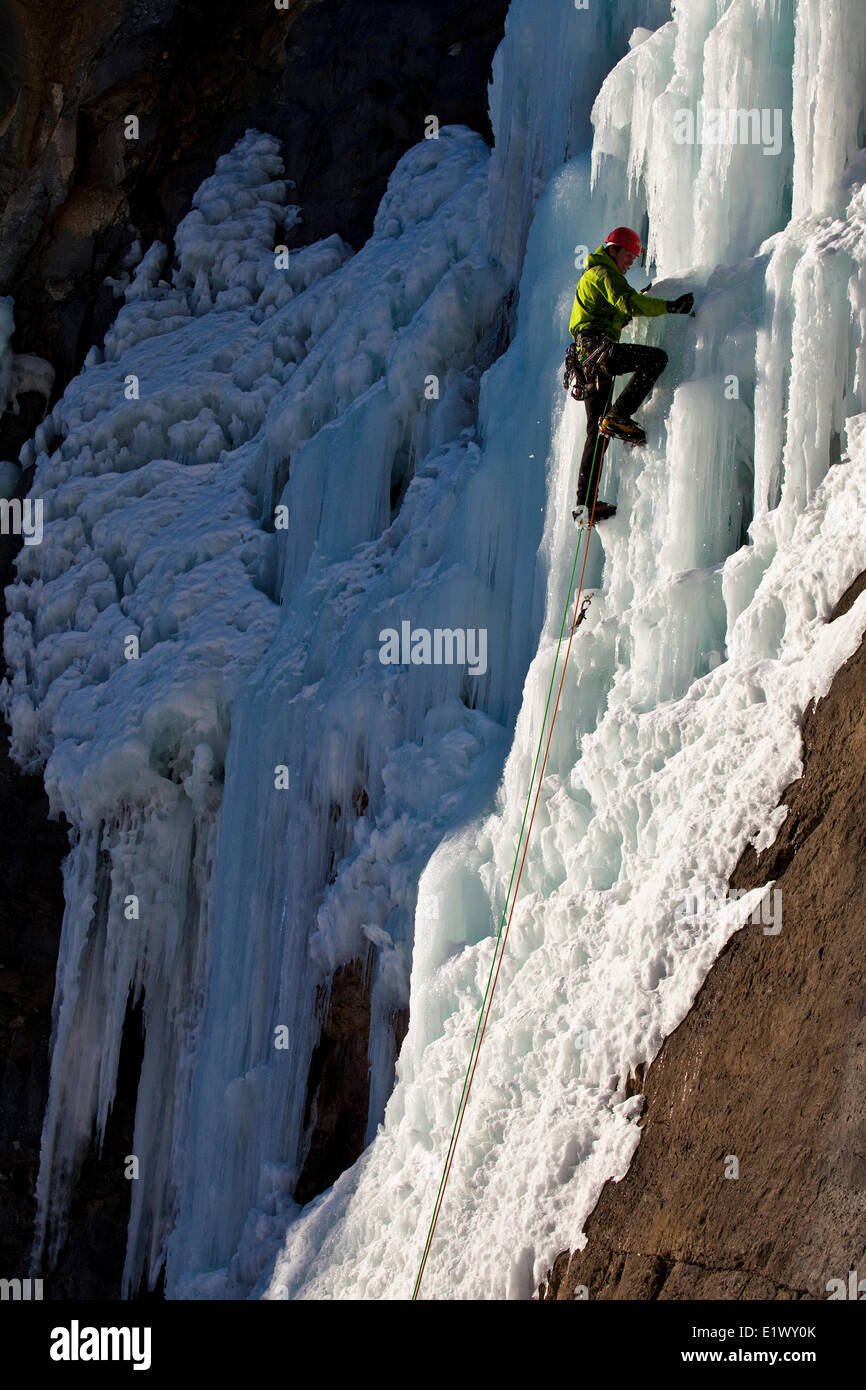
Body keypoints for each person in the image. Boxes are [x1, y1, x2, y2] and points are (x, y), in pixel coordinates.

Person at [570, 226, 693, 522]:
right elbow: (627, 304)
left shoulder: (596, 277)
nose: (630, 263)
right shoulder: (603, 272)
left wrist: (639, 298)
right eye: (628, 256)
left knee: (596, 431)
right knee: (656, 360)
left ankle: (584, 506)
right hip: (599, 353)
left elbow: (619, 311)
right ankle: (620, 415)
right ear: (613, 250)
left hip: (586, 361)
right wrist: (670, 306)